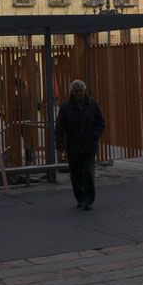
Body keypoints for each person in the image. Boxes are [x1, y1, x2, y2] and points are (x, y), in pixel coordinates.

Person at [55, 80, 106, 210]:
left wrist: (95, 136)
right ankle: (80, 198)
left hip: (89, 145)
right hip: (73, 146)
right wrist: (60, 147)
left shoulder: (93, 104)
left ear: (84, 91)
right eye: (75, 91)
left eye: (80, 91)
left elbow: (101, 122)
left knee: (88, 172)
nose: (78, 93)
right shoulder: (65, 107)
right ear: (72, 92)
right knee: (76, 174)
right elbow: (60, 128)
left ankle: (88, 199)